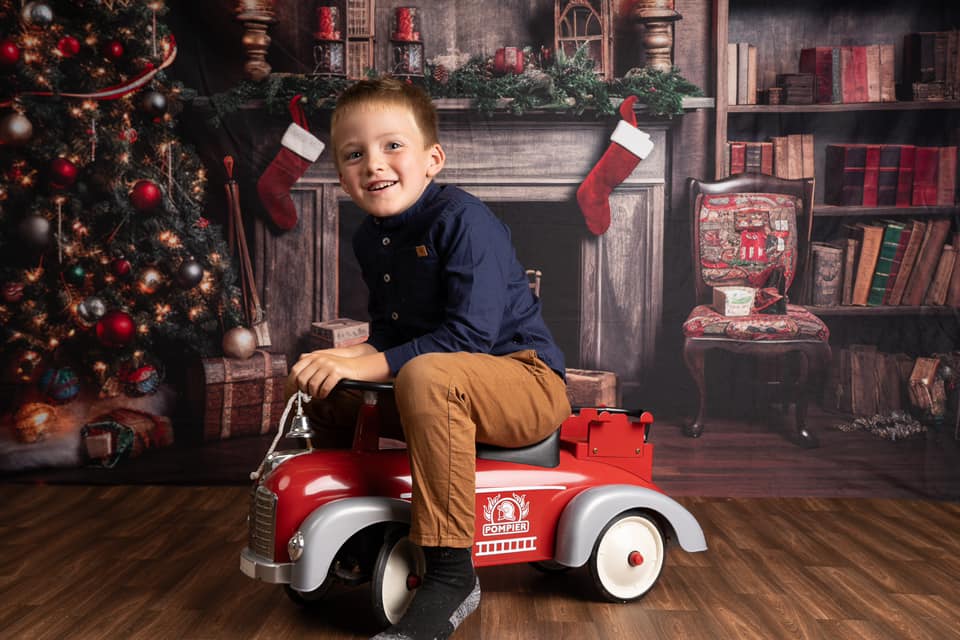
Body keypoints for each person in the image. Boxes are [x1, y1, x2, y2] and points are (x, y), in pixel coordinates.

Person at [287, 77, 571, 640]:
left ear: (432, 160)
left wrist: (366, 362)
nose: (374, 164)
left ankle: (450, 573)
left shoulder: (465, 220)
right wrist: (338, 362)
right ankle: (350, 528)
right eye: (354, 154)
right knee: (326, 384)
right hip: (436, 385)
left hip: (525, 381)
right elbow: (390, 335)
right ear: (341, 176)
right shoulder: (371, 238)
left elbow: (469, 336)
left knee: (423, 374)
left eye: (392, 145)